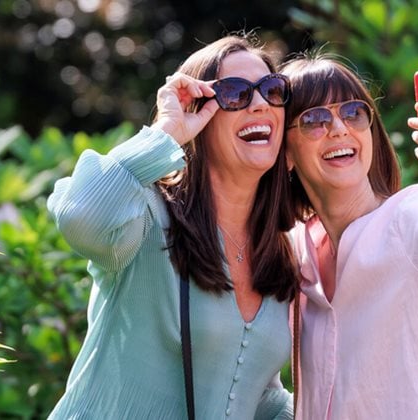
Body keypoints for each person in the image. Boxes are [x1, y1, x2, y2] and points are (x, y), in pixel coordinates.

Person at [47, 34, 298, 419]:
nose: (260, 103)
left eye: (272, 89)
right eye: (234, 93)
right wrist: (167, 130)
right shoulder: (146, 218)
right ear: (197, 115)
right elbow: (82, 213)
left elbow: (252, 392)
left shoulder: (280, 253)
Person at [281, 55, 418, 419]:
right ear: (285, 152)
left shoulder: (412, 215)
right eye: (315, 120)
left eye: (353, 112)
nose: (339, 128)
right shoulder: (293, 254)